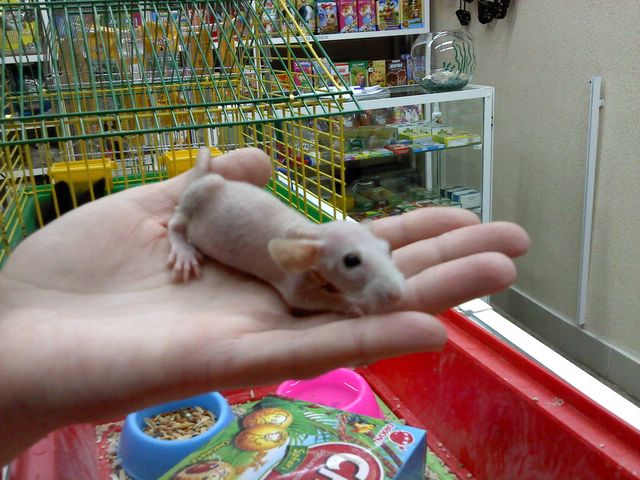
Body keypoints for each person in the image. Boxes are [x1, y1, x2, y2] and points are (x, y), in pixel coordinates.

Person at [0, 148, 529, 465]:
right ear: (310, 258)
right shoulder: (298, 264)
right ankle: (182, 229)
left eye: (377, 257)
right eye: (352, 265)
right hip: (205, 211)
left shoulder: (326, 247)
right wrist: (344, 302)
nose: (384, 285)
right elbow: (294, 294)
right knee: (201, 194)